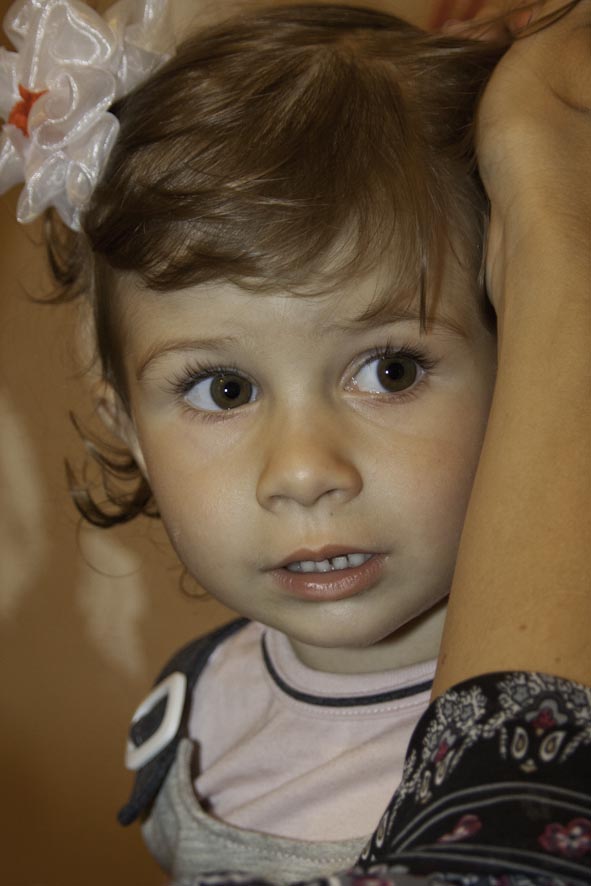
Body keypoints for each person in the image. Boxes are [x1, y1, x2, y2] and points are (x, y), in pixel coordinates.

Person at [1, 1, 588, 884]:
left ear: (523, 361)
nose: (305, 471)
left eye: (389, 370)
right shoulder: (199, 711)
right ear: (127, 425)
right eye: (224, 390)